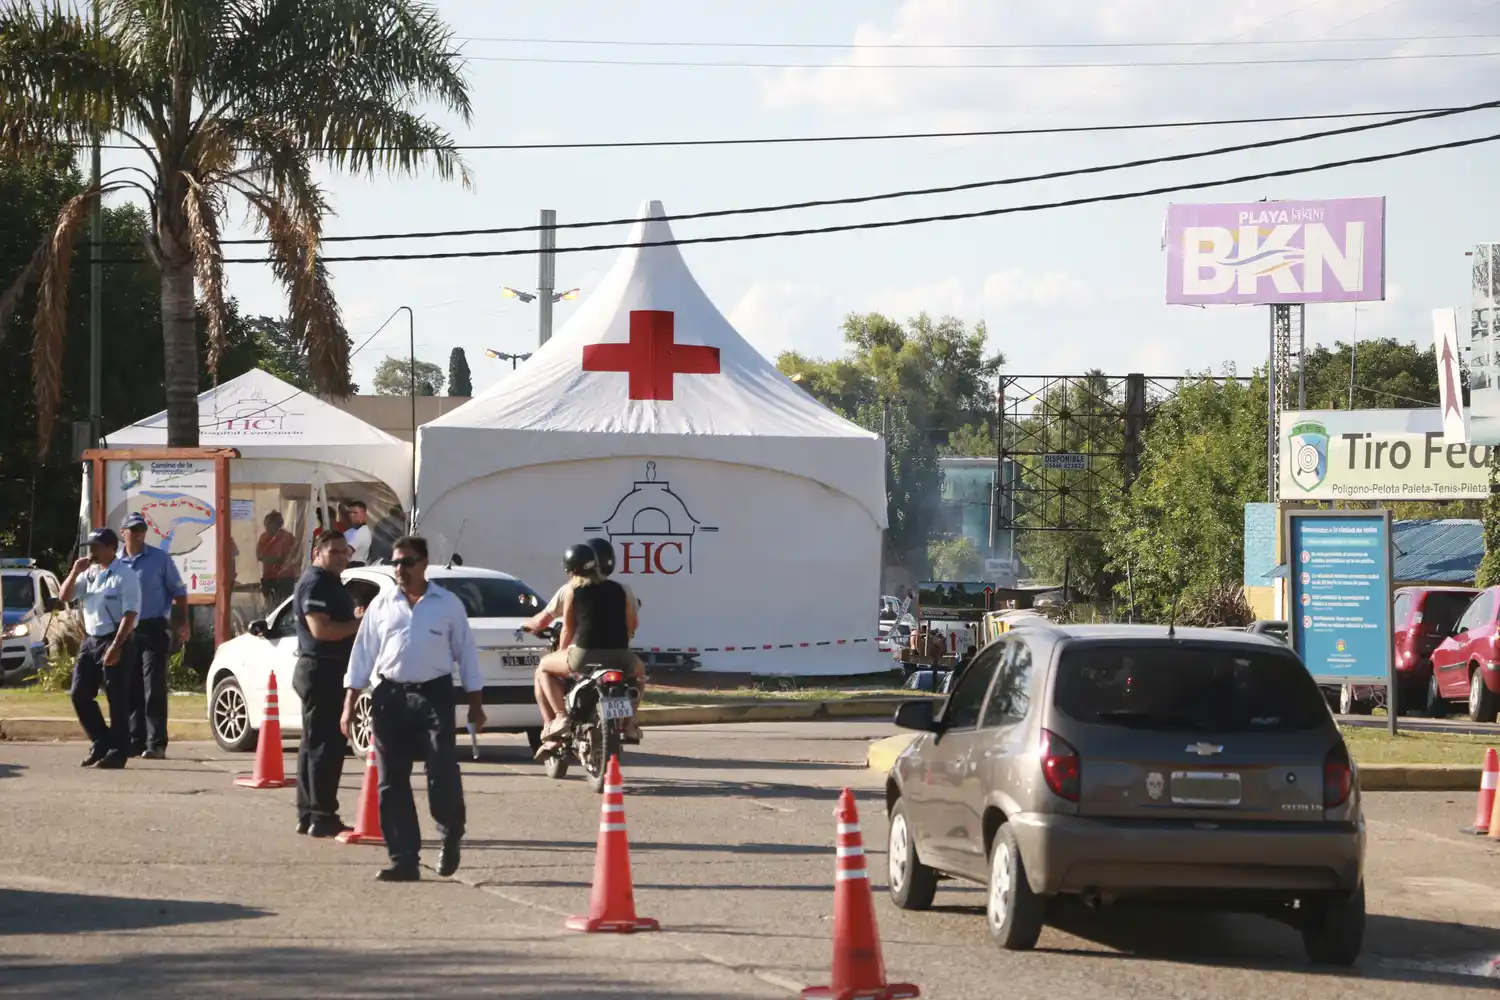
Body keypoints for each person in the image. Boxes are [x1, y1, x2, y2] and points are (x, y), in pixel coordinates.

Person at [343, 535, 484, 882]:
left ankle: (450, 832)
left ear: (423, 563)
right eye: (395, 563)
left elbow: (465, 654)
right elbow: (362, 654)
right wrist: (349, 704)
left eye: (406, 562)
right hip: (389, 695)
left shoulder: (447, 604)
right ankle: (403, 858)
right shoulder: (382, 604)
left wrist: (476, 703)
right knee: (391, 780)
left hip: (434, 694)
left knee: (441, 768)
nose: (399, 569)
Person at [522, 537, 645, 743]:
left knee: (543, 667)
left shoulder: (572, 591)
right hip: (621, 657)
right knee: (640, 676)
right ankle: (631, 722)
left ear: (570, 570)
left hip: (584, 656)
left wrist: (559, 651)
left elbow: (568, 629)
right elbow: (633, 625)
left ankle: (560, 718)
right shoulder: (621, 589)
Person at [293, 531, 361, 838]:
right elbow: (321, 630)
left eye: (344, 551)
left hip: (328, 669)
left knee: (314, 745)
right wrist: (360, 623)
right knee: (326, 746)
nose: (341, 556)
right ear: (317, 554)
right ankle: (322, 816)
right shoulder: (316, 581)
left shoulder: (332, 583)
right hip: (321, 669)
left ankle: (310, 814)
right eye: (333, 552)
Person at [59, 529, 141, 769]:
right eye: (90, 547)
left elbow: (130, 614)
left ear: (111, 548)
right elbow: (65, 596)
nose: (91, 552)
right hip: (91, 640)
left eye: (96, 547)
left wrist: (116, 646)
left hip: (115, 639)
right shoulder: (91, 573)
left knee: (117, 698)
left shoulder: (125, 576)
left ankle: (118, 751)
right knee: (79, 693)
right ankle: (101, 740)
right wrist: (75, 571)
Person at [118, 512, 188, 759]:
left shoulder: (159, 559)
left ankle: (156, 742)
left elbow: (179, 593)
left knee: (153, 686)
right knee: (130, 687)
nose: (138, 534)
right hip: (125, 632)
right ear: (122, 533)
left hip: (153, 628)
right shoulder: (116, 563)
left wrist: (181, 623)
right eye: (133, 530)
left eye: (142, 530)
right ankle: (135, 740)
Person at [256, 511, 299, 609]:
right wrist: (273, 559)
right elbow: (259, 555)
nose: (266, 527)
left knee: (284, 606)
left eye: (269, 525)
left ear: (278, 524)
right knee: (270, 605)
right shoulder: (264, 537)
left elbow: (292, 555)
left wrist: (277, 560)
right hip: (269, 577)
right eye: (265, 525)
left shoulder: (288, 537)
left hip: (285, 578)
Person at [343, 501, 372, 566]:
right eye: (350, 513)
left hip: (354, 567)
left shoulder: (363, 531)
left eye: (355, 513)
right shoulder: (350, 531)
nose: (351, 515)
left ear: (364, 514)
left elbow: (347, 552)